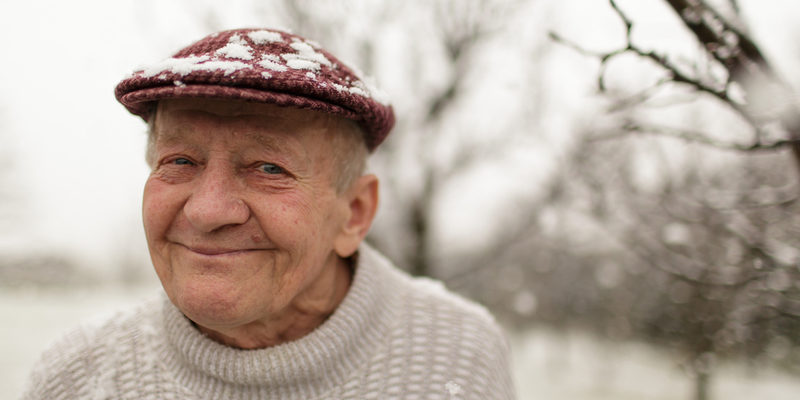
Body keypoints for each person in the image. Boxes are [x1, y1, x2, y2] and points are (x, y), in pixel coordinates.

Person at [22, 28, 515, 399]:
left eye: (267, 167)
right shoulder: (76, 377)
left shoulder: (457, 355)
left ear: (354, 214)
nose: (209, 210)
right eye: (180, 161)